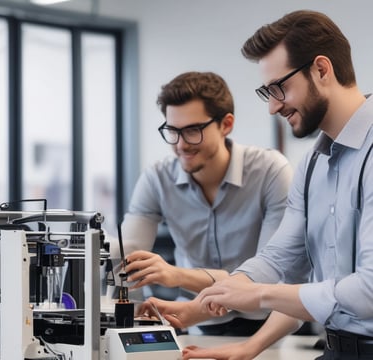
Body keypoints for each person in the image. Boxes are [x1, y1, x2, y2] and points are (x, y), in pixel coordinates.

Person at [146, 9, 373, 360]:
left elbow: (369, 291)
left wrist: (260, 295)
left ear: (322, 70)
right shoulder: (314, 165)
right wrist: (206, 303)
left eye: (279, 88)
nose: (272, 107)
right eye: (266, 93)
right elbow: (280, 258)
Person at [110, 71, 293, 336]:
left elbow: (271, 274)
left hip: (268, 326)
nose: (182, 145)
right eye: (173, 131)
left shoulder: (270, 171)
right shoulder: (157, 178)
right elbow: (128, 257)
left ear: (226, 124)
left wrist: (177, 275)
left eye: (193, 131)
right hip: (193, 323)